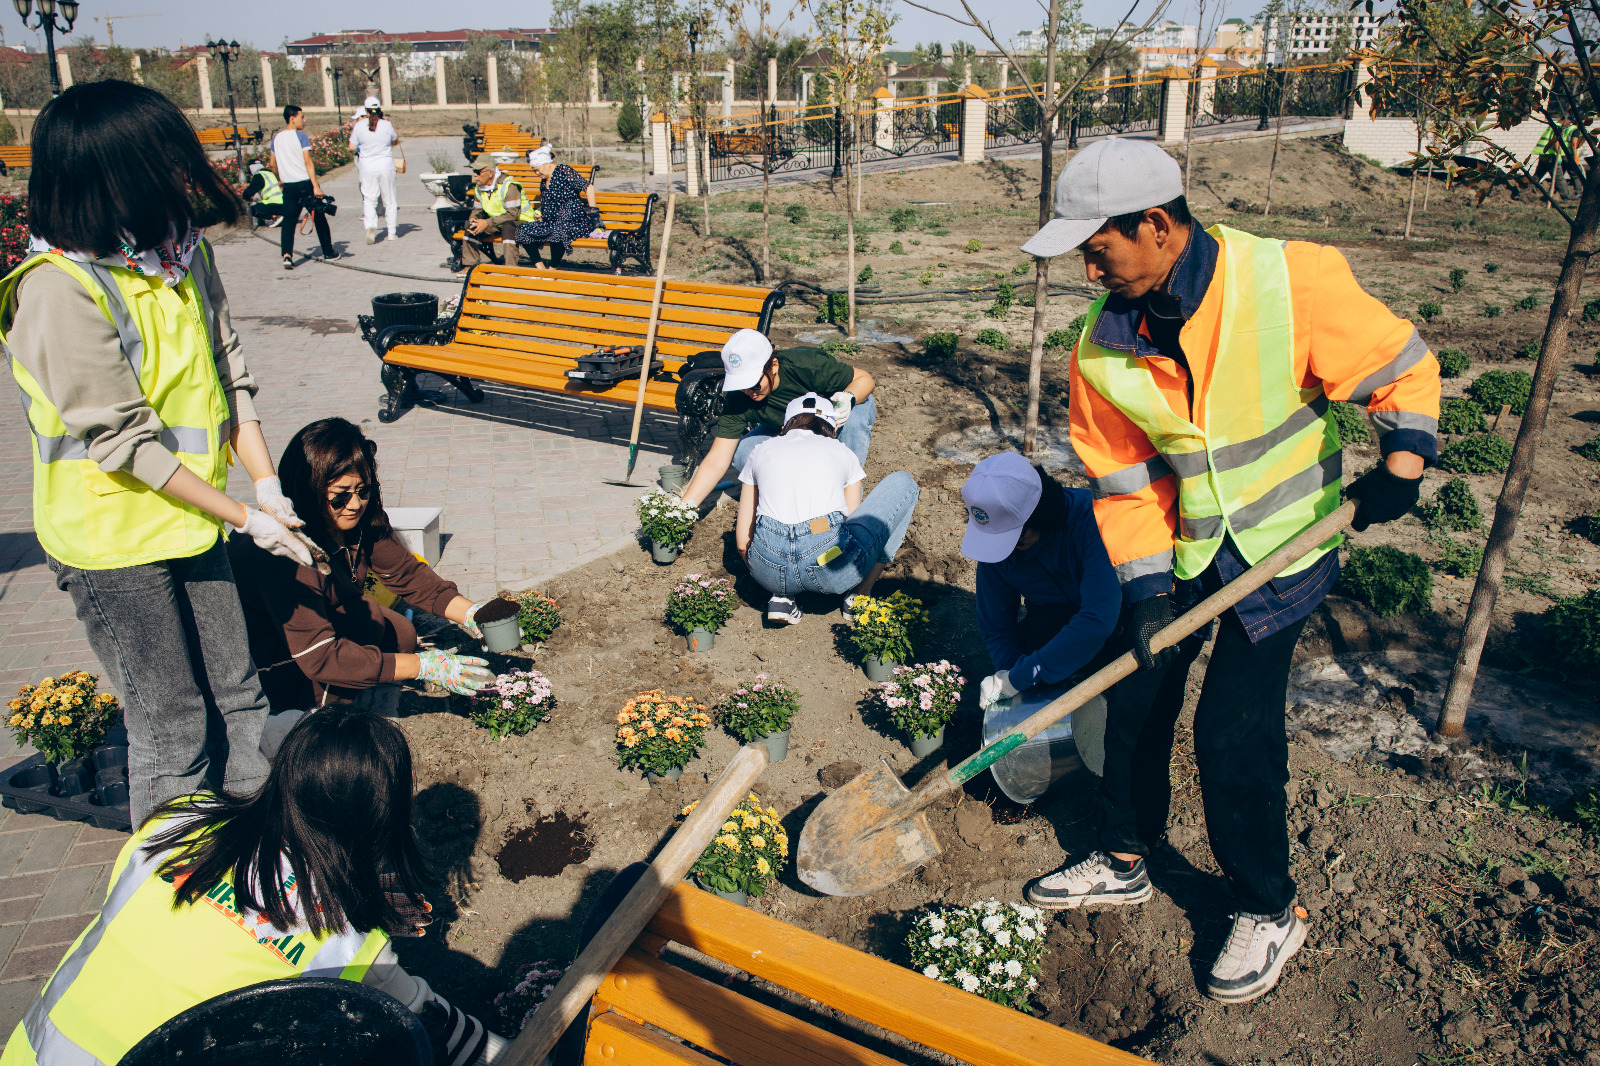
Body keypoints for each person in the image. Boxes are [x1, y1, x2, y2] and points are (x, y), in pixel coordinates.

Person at [1019, 136, 1439, 1004]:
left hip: (1287, 547)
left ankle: (1267, 906)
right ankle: (1126, 855)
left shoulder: (1292, 280)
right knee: (1131, 691)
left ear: (1158, 225)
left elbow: (1399, 362)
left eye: (1098, 250)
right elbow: (1123, 482)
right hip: (1190, 548)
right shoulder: (1102, 346)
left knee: (1232, 734)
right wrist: (1142, 590)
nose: (1091, 273)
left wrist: (1404, 458)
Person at [0, 80, 317, 824]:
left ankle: (252, 848)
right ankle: (170, 885)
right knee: (171, 723)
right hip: (111, 542)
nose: (183, 174)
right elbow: (122, 442)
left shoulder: (182, 255)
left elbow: (229, 373)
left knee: (241, 694)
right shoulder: (58, 288)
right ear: (112, 174)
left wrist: (266, 487)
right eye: (164, 160)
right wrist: (243, 516)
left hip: (192, 521)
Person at [0, 707, 510, 1066]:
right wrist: (514, 1052)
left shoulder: (176, 823)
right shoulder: (343, 939)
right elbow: (425, 1018)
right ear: (380, 816)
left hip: (32, 1048)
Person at [229, 418, 495, 713]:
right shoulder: (284, 549)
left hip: (322, 618)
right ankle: (321, 710)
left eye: (363, 491)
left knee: (399, 634)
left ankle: (355, 684)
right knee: (339, 694)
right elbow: (322, 657)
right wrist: (423, 666)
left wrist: (477, 615)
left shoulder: (357, 519)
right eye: (340, 496)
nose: (355, 504)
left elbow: (407, 574)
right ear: (309, 490)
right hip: (273, 654)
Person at [735, 393, 918, 624]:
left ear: (784, 428)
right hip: (829, 568)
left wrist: (770, 574)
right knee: (904, 483)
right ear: (832, 431)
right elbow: (853, 522)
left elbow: (742, 542)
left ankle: (782, 596)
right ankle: (859, 595)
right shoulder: (842, 451)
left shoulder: (760, 450)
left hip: (769, 574)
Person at [960, 453, 1121, 708]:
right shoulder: (998, 548)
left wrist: (1021, 677)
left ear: (1042, 514)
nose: (1008, 549)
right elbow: (996, 627)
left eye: (1016, 538)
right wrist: (1009, 675)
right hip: (1055, 619)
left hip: (1120, 618)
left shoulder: (1092, 521)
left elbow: (1097, 619)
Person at [678, 330, 878, 509]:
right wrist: (683, 508)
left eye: (754, 384)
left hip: (839, 416)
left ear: (773, 366)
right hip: (790, 426)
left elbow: (865, 379)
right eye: (741, 385)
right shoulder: (739, 398)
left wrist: (848, 398)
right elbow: (716, 460)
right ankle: (799, 488)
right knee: (744, 454)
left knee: (854, 425)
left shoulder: (806, 366)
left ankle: (847, 500)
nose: (748, 392)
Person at [271, 104, 340, 270]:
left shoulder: (276, 139)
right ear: (292, 118)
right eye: (302, 117)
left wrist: (280, 179)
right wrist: (316, 186)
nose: (304, 120)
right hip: (305, 184)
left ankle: (287, 255)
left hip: (288, 186)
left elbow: (272, 164)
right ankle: (328, 252)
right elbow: (308, 162)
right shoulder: (301, 137)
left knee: (289, 221)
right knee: (319, 218)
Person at [514, 144, 598, 270]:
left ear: (547, 163)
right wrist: (541, 213)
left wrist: (593, 215)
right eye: (534, 171)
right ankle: (540, 268)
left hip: (573, 222)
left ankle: (553, 268)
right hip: (551, 222)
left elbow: (588, 188)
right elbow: (549, 202)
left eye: (538, 170)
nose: (537, 173)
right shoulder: (544, 180)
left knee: (557, 231)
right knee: (522, 230)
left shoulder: (564, 170)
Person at [457, 154, 532, 273]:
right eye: (474, 171)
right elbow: (477, 210)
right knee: (471, 227)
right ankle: (470, 266)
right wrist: (474, 219)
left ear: (490, 173)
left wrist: (487, 223)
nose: (475, 175)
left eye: (478, 172)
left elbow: (513, 214)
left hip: (522, 221)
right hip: (498, 222)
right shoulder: (480, 187)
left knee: (508, 227)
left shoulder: (509, 186)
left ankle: (511, 269)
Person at [350, 96, 400, 245]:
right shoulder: (386, 124)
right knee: (389, 200)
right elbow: (395, 140)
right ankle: (391, 232)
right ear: (379, 109)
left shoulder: (359, 126)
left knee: (369, 199)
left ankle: (371, 226)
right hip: (385, 165)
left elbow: (352, 146)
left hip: (367, 167)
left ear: (365, 110)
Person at [241, 160, 284, 228]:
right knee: (262, 203)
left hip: (273, 204)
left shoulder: (259, 176)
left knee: (251, 209)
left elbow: (249, 192)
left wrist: (245, 196)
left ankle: (275, 216)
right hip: (285, 203)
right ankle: (281, 216)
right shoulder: (271, 173)